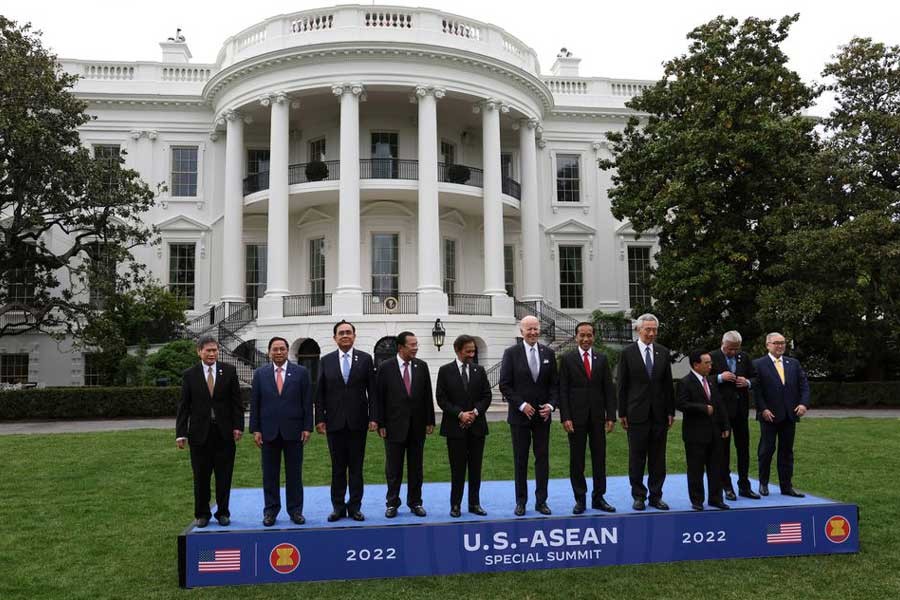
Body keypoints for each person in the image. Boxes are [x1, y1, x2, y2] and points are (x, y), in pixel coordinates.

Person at [176, 334, 244, 528]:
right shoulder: (190, 374)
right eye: (208, 350)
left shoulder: (229, 371)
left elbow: (236, 403)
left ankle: (223, 512)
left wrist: (238, 426)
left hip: (224, 434)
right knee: (201, 477)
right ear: (199, 352)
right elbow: (184, 406)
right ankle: (202, 514)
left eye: (215, 350)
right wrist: (181, 433)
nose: (213, 353)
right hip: (199, 436)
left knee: (224, 476)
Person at [314, 320, 377, 522]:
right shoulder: (326, 361)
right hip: (334, 423)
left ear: (354, 336)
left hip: (359, 422)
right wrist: (320, 419)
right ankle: (338, 507)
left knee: (356, 468)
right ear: (335, 338)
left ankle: (355, 507)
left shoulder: (366, 359)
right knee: (338, 468)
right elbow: (320, 393)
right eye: (341, 333)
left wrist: (374, 417)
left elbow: (373, 392)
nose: (345, 335)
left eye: (348, 332)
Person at [249, 336, 313, 526]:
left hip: (294, 431)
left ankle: (295, 511)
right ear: (269, 352)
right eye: (275, 349)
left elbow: (307, 402)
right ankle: (270, 511)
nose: (279, 352)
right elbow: (255, 403)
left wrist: (307, 427)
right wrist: (255, 429)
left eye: (282, 349)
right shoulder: (260, 374)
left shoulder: (301, 372)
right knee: (269, 475)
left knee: (294, 474)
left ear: (287, 351)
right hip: (268, 432)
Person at [498, 315, 558, 516]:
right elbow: (505, 384)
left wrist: (550, 405)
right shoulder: (511, 353)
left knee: (542, 459)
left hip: (542, 417)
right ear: (521, 331)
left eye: (535, 328)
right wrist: (521, 405)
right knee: (520, 460)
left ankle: (542, 502)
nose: (532, 332)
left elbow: (554, 385)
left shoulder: (548, 352)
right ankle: (521, 502)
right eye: (528, 329)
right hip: (519, 417)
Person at [616, 313, 674, 511]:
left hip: (659, 414)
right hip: (636, 413)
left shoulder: (663, 352)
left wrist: (670, 411)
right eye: (647, 329)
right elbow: (622, 385)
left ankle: (656, 496)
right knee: (637, 456)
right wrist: (621, 412)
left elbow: (668, 385)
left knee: (658, 458)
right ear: (638, 330)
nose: (651, 333)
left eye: (654, 330)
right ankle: (639, 495)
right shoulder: (628, 353)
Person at [558, 322, 617, 514]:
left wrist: (611, 415)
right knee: (577, 460)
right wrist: (565, 416)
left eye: (589, 335)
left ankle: (599, 497)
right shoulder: (567, 359)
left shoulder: (602, 358)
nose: (585, 339)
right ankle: (580, 499)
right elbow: (563, 390)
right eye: (582, 335)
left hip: (598, 418)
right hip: (576, 418)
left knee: (599, 459)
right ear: (576, 337)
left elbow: (608, 388)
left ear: (594, 337)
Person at [375, 331, 435, 518]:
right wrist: (381, 423)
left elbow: (427, 395)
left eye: (416, 344)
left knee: (416, 468)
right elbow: (379, 398)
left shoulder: (422, 366)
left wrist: (430, 420)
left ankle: (415, 502)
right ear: (401, 347)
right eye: (412, 344)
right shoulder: (385, 367)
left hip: (417, 426)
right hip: (393, 427)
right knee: (393, 468)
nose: (416, 347)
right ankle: (392, 503)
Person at [436, 334, 492, 518]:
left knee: (476, 468)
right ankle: (456, 505)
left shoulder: (479, 370)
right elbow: (441, 399)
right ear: (458, 351)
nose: (471, 354)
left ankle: (474, 503)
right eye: (468, 351)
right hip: (455, 428)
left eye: (473, 351)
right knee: (457, 468)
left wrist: (474, 413)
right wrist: (460, 414)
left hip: (477, 427)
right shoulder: (445, 371)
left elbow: (486, 396)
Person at [753, 332, 810, 498]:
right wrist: (763, 409)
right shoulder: (759, 364)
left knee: (786, 452)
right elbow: (757, 390)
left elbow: (804, 385)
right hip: (769, 415)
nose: (780, 346)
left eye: (783, 343)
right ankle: (763, 484)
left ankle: (786, 486)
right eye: (776, 343)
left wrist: (803, 404)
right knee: (766, 450)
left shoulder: (793, 363)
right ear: (768, 345)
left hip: (789, 415)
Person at [677, 350, 731, 511]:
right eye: (707, 363)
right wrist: (702, 408)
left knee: (716, 467)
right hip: (695, 434)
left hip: (714, 433)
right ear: (696, 365)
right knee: (696, 468)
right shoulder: (685, 382)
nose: (710, 366)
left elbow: (720, 405)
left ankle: (716, 498)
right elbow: (681, 404)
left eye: (710, 362)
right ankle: (697, 500)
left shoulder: (711, 382)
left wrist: (725, 426)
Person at [710, 330, 759, 500]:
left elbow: (755, 377)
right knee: (723, 450)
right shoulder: (712, 356)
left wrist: (747, 382)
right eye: (730, 349)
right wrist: (719, 378)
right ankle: (726, 485)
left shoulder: (743, 357)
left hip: (741, 410)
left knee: (743, 448)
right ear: (723, 343)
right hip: (721, 411)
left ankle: (744, 485)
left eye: (736, 349)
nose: (733, 352)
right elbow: (702, 379)